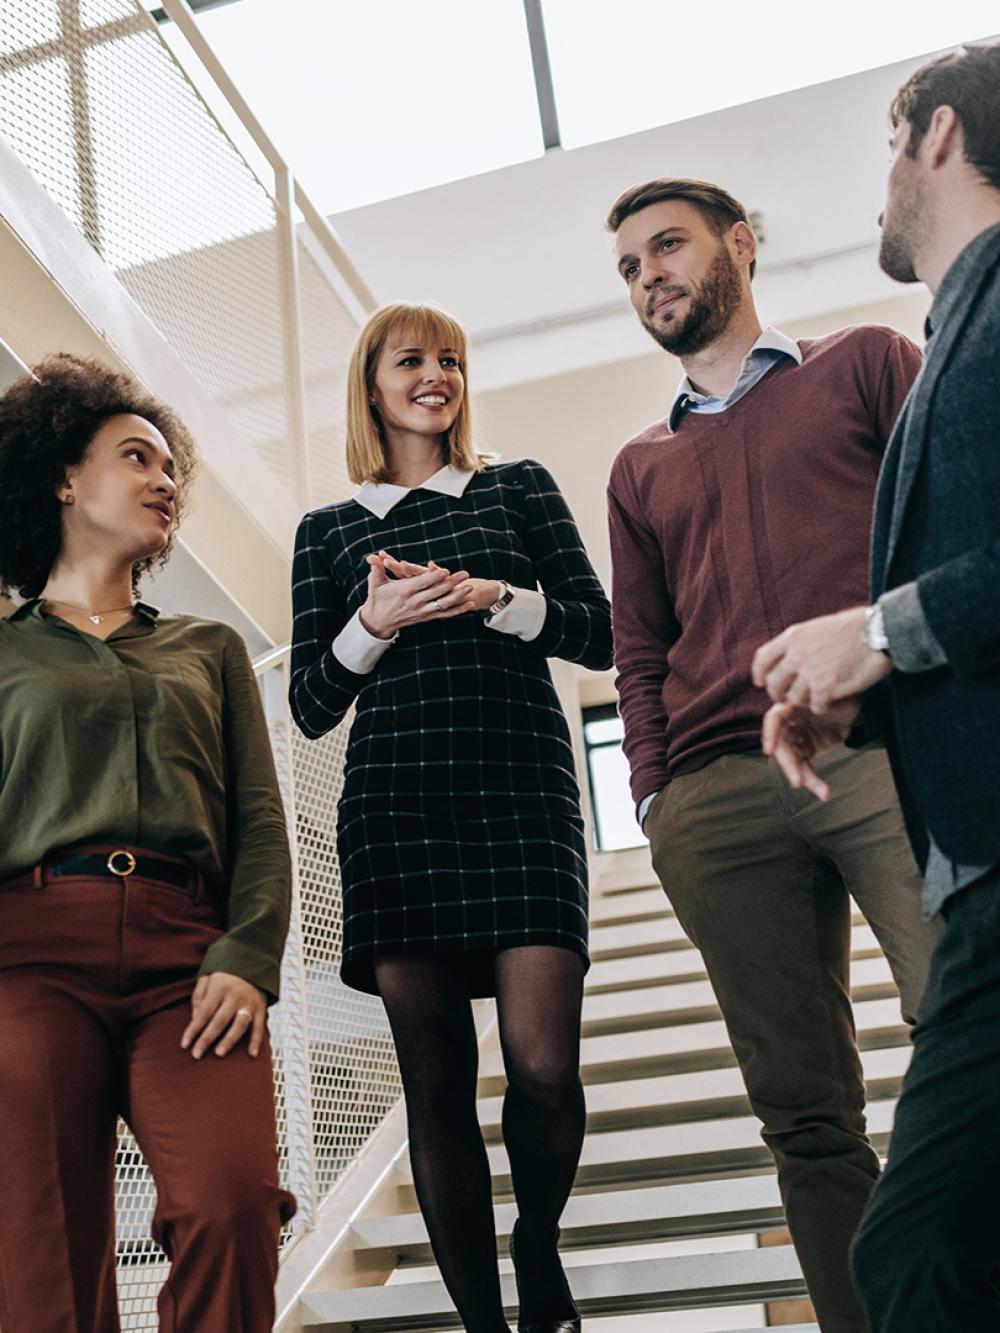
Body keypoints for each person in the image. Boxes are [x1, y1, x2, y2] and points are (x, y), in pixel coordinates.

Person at [605, 177, 942, 1331]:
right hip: (714, 798)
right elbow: (637, 645)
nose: (649, 274)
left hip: (881, 752)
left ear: (738, 247)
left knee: (964, 1023)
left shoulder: (862, 364)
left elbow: (943, 519)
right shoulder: (638, 465)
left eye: (669, 247)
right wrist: (653, 795)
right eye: (630, 266)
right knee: (802, 1112)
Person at [290, 301, 611, 1333]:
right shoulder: (329, 530)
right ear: (371, 381)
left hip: (521, 792)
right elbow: (308, 701)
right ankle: (485, 1323)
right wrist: (370, 623)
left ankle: (537, 1243)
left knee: (543, 1062)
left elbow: (599, 633)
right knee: (435, 1082)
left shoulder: (515, 487)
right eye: (412, 359)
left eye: (452, 360)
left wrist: (489, 596)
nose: (436, 375)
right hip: (395, 809)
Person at [752, 41, 1000, 1332]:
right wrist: (874, 688)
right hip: (974, 874)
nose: (884, 182)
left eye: (889, 145)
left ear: (940, 136)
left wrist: (883, 630)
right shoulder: (955, 327)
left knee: (912, 1256)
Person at [0, 354, 295, 1333]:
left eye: (173, 467)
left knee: (232, 1203)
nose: (166, 480)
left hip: (192, 962)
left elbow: (257, 818)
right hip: (27, 959)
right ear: (63, 478)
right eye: (138, 457)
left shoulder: (206, 650)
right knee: (42, 1255)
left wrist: (249, 958)